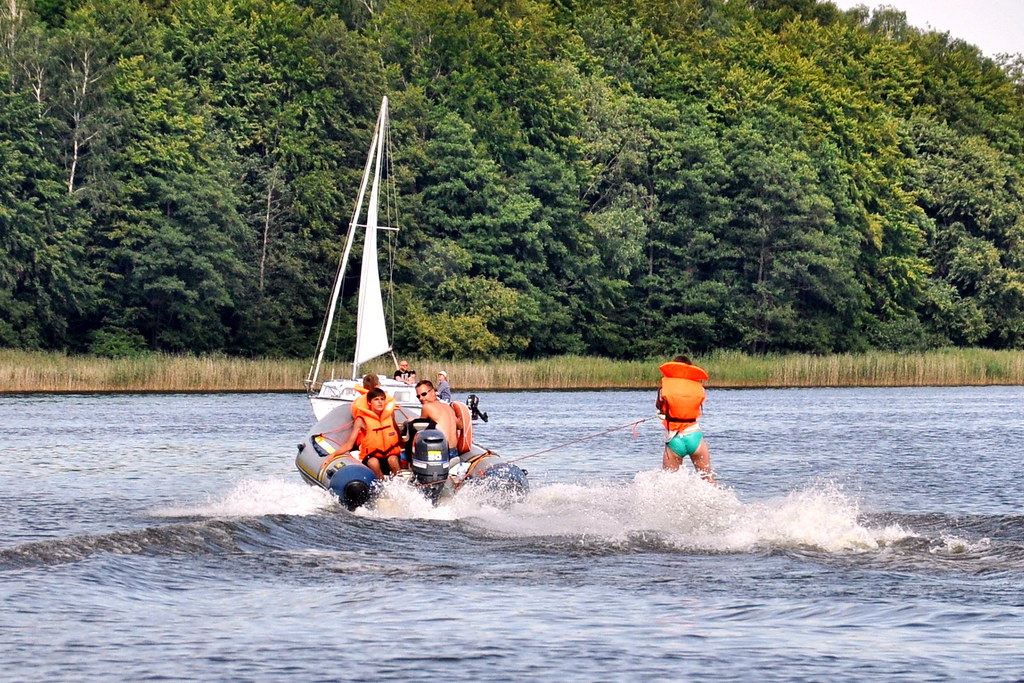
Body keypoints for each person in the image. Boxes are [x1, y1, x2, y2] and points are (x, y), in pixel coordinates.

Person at [656, 355, 717, 486]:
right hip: (694, 436)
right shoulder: (699, 388)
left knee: (669, 484)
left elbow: (660, 408)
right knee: (708, 479)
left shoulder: (664, 389)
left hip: (674, 439)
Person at [337, 387, 403, 478]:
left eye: (382, 399)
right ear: (369, 402)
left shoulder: (390, 414)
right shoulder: (361, 419)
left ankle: (401, 485)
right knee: (373, 462)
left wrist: (403, 444)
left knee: (393, 460)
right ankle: (380, 483)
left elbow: (396, 432)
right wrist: (331, 456)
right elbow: (349, 445)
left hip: (390, 455)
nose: (380, 402)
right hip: (372, 457)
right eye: (376, 399)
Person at [414, 380, 461, 459]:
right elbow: (460, 425)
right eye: (418, 396)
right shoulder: (448, 407)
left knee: (404, 455)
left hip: (441, 452)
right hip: (454, 451)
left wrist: (410, 421)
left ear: (432, 392)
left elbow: (418, 428)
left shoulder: (427, 407)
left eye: (424, 394)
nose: (421, 398)